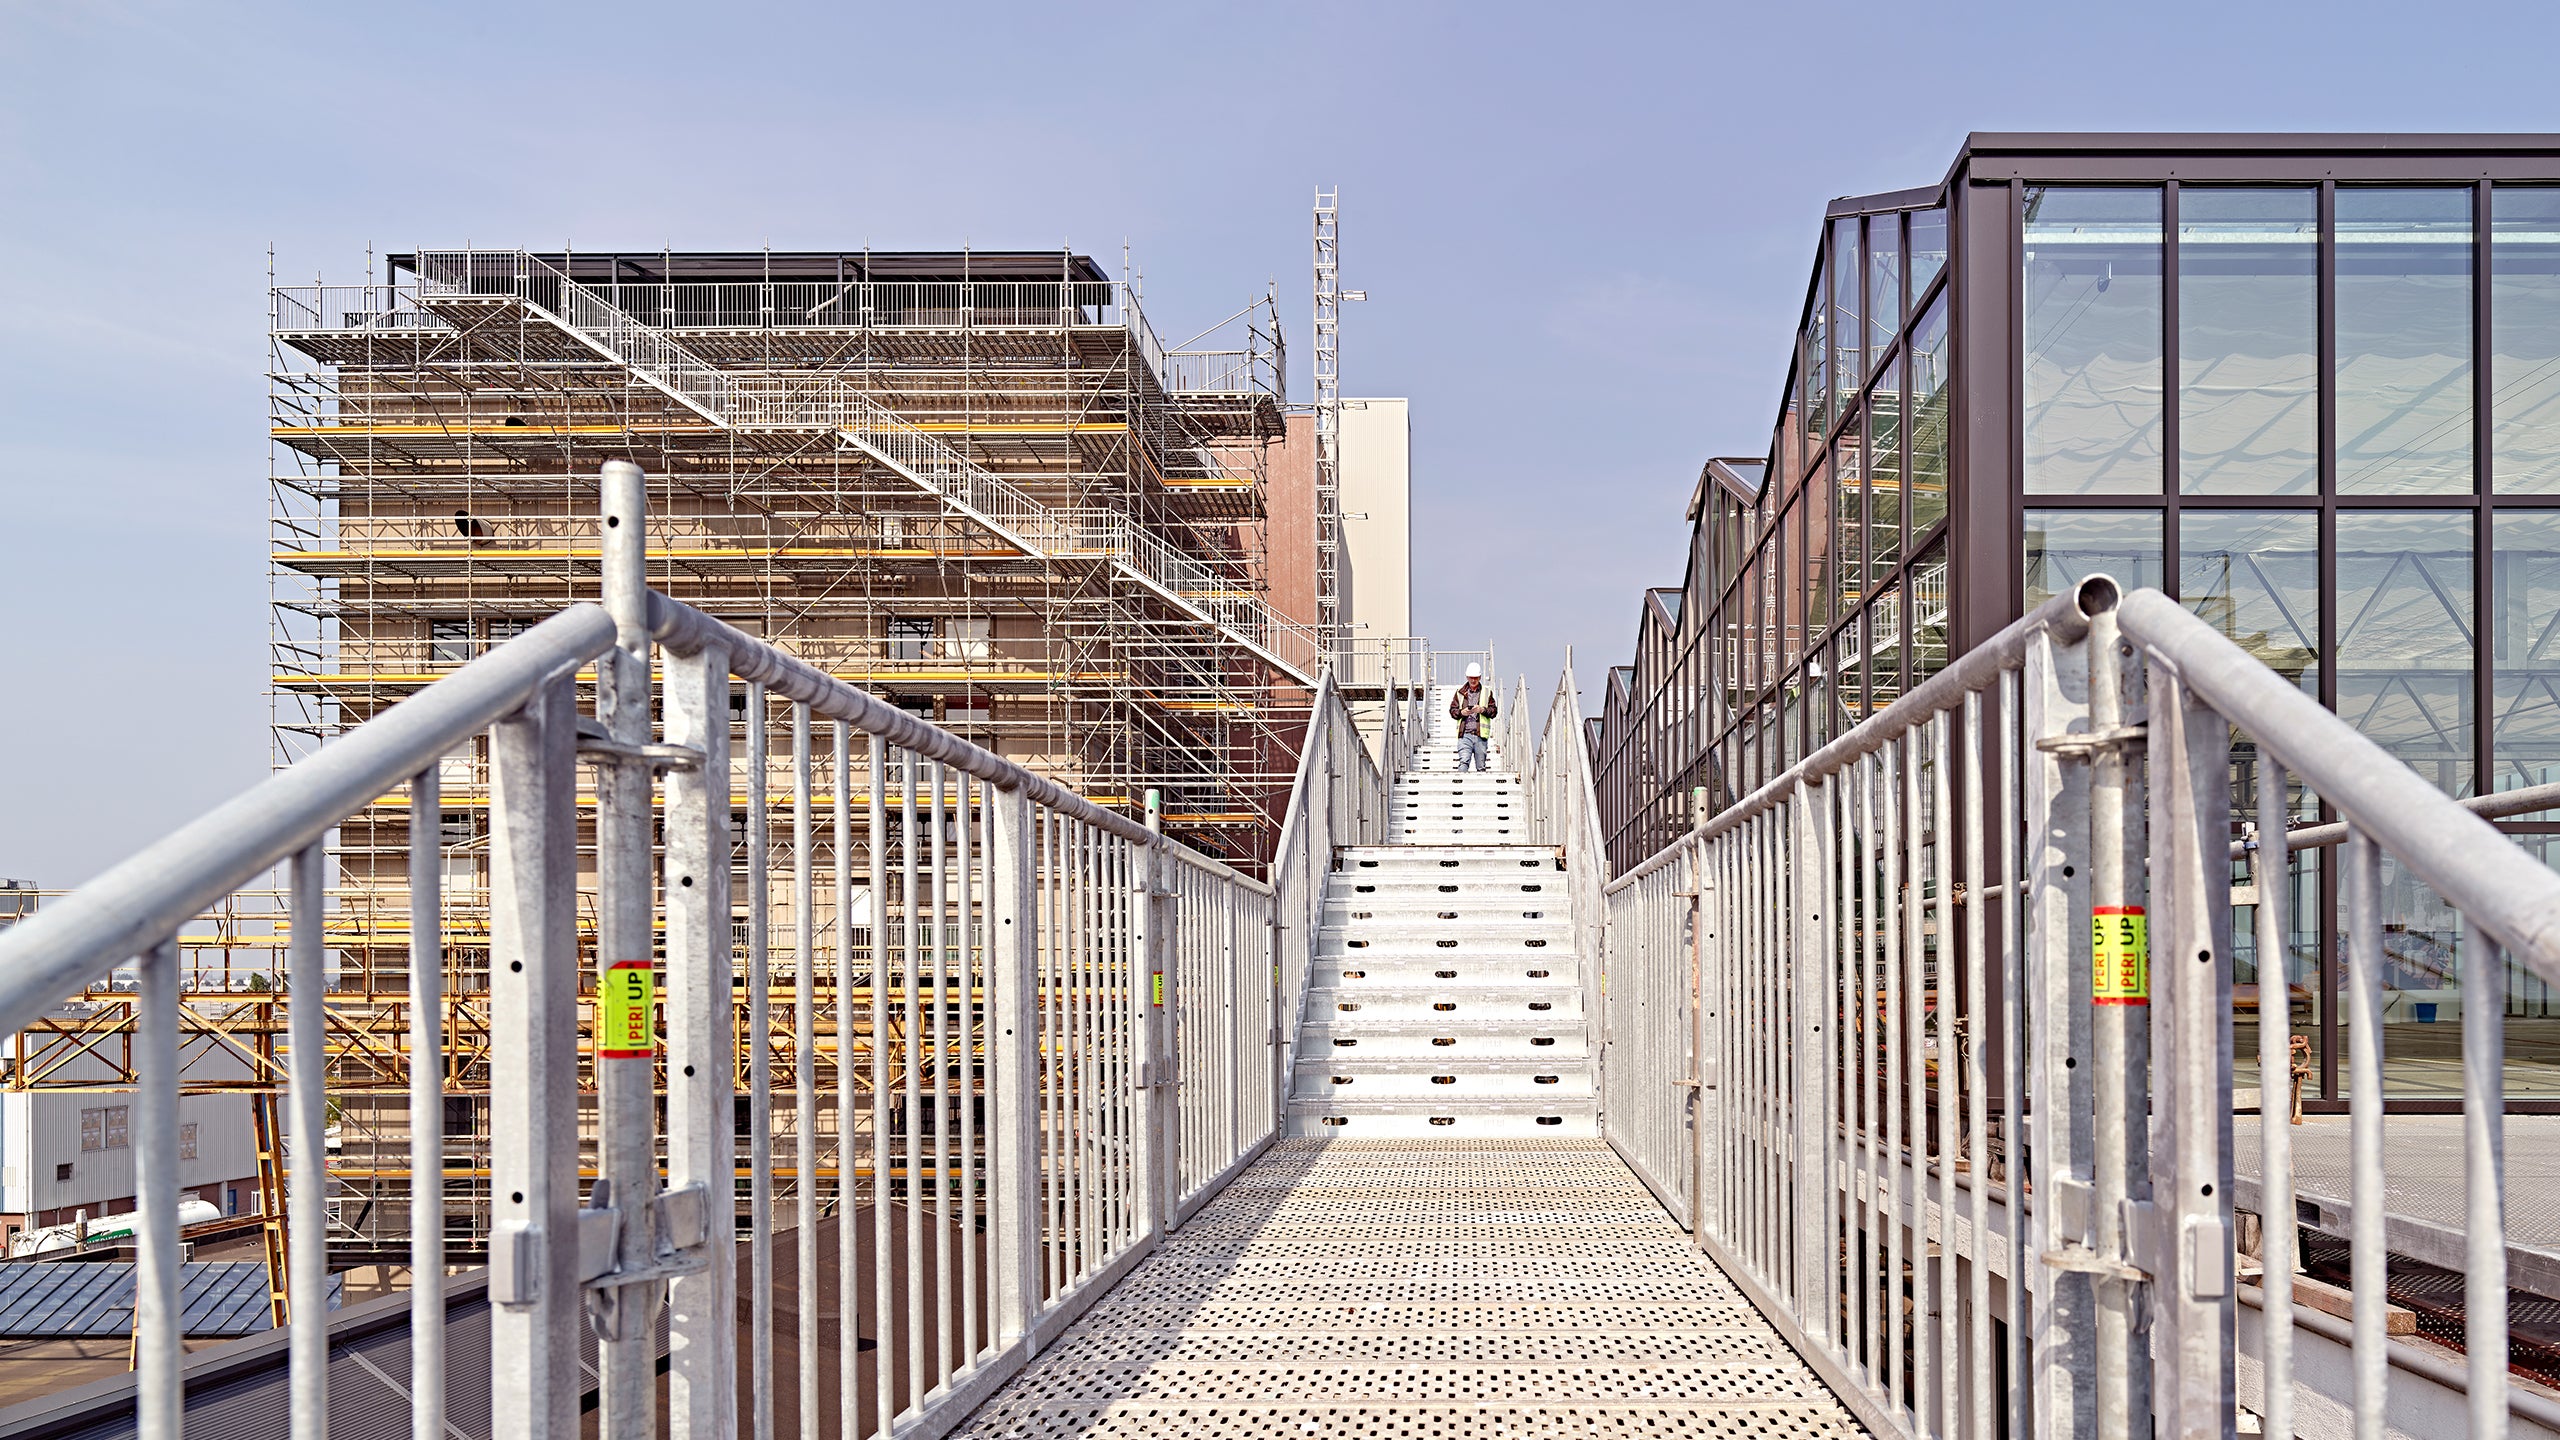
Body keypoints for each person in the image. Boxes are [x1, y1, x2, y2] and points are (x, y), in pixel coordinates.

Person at [1450, 664, 1498, 772]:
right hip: (1465, 735)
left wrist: (1482, 710)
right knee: (1464, 762)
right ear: (1467, 677)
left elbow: (1494, 711)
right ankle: (1460, 788)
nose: (1473, 680)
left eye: (1475, 677)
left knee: (1481, 767)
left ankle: (1480, 788)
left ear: (1480, 677)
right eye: (1471, 677)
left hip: (1480, 736)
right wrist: (1462, 712)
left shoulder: (1487, 692)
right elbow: (1452, 711)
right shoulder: (1459, 693)